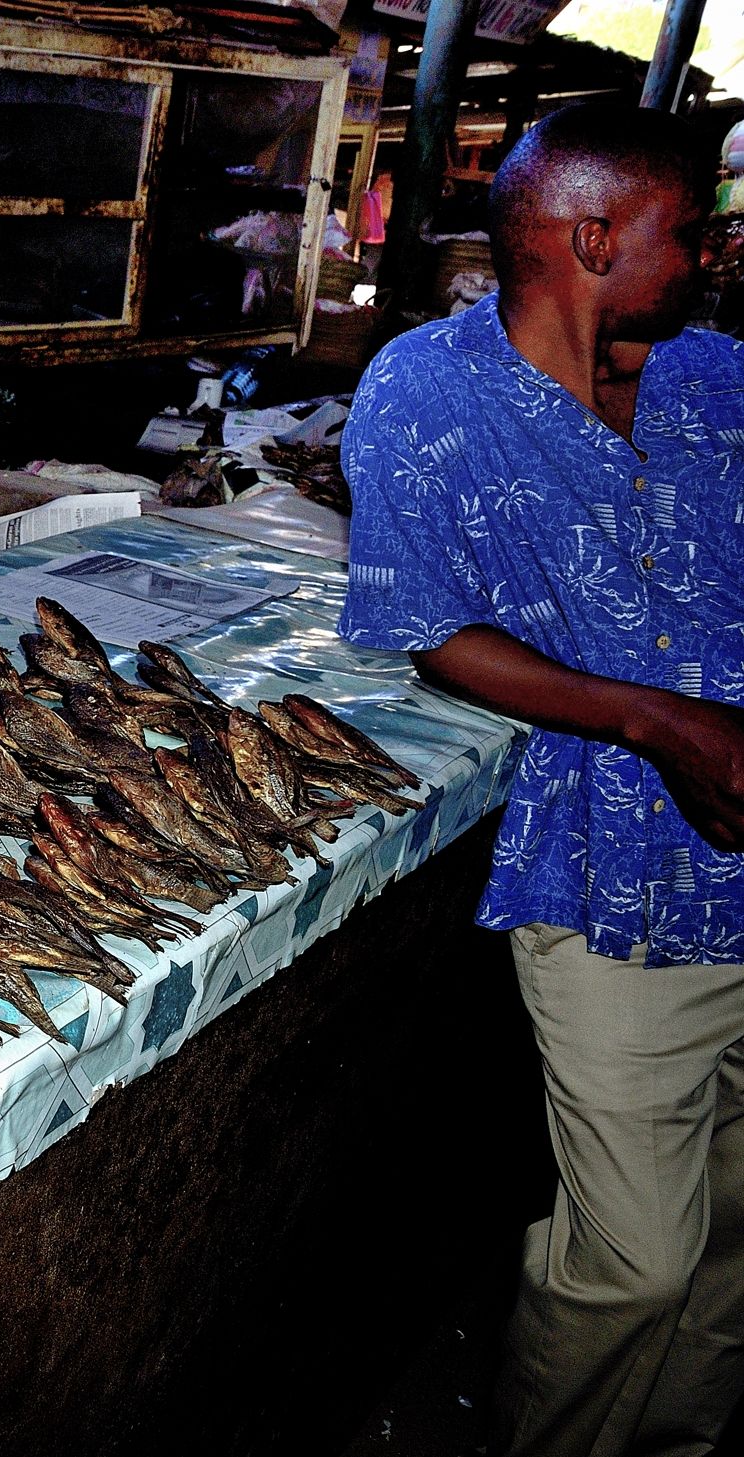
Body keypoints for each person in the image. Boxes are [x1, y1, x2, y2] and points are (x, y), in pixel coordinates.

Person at [336, 103, 744, 1456]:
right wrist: (656, 722)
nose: (714, 255)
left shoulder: (717, 382)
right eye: (694, 232)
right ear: (594, 237)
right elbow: (423, 619)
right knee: (633, 1258)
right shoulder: (426, 393)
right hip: (622, 879)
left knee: (733, 1237)